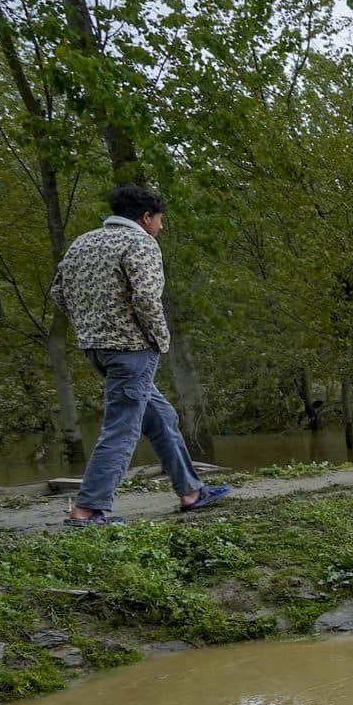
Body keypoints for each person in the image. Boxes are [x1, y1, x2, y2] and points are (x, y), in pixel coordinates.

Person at [51, 183, 231, 524]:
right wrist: (160, 340)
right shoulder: (140, 243)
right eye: (160, 219)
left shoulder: (82, 242)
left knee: (162, 418)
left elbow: (58, 292)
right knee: (122, 428)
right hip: (132, 349)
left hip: (96, 348)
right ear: (146, 217)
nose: (161, 227)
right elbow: (146, 300)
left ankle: (191, 491)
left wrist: (90, 325)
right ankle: (88, 509)